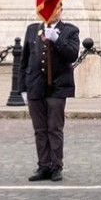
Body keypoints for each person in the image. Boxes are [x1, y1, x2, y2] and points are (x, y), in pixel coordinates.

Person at [19, 11, 80, 182]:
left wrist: (57, 40)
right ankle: (43, 165)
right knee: (40, 130)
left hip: (58, 87)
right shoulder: (32, 29)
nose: (51, 12)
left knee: (54, 128)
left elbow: (72, 55)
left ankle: (56, 166)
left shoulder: (70, 30)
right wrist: (22, 87)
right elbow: (24, 61)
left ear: (61, 9)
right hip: (35, 86)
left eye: (55, 8)